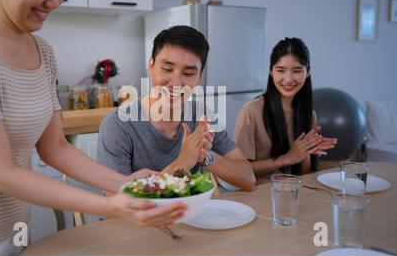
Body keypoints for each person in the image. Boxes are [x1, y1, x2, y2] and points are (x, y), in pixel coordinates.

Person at [0, 0, 186, 256]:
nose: (55, 0)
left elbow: (55, 147)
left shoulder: (42, 53)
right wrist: (111, 205)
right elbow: (0, 173)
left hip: (16, 231)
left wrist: (124, 183)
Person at [97, 26, 256, 191]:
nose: (176, 83)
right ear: (151, 66)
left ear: (199, 77)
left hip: (184, 215)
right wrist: (184, 161)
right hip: (132, 217)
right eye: (167, 69)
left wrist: (204, 156)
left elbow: (248, 179)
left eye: (188, 73)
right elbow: (116, 201)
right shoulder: (118, 125)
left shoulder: (200, 116)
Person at [233, 37, 338, 183]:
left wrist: (306, 152)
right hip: (258, 195)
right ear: (271, 71)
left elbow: (305, 175)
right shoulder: (251, 111)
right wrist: (286, 159)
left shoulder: (309, 115)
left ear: (307, 72)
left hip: (295, 193)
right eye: (281, 70)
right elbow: (238, 170)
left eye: (296, 71)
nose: (288, 79)